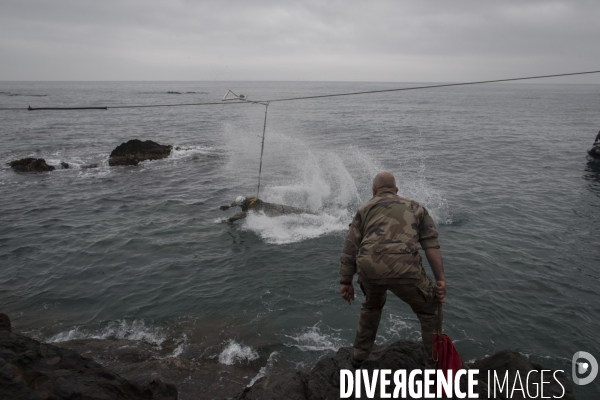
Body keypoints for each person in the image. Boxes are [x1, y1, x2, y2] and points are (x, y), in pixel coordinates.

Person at [338, 171, 446, 368]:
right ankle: (433, 365)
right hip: (405, 267)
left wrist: (346, 282)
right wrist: (440, 280)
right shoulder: (415, 207)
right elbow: (430, 245)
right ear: (396, 190)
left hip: (369, 267)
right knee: (430, 311)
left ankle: (358, 359)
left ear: (374, 190)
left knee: (371, 307)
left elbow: (350, 247)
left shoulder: (363, 210)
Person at [220, 196, 313, 222]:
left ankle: (312, 213)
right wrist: (228, 206)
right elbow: (235, 203)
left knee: (292, 211)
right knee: (291, 212)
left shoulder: (252, 208)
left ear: (243, 203)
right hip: (270, 206)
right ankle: (312, 213)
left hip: (270, 210)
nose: (239, 206)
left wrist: (228, 220)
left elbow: (239, 215)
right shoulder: (247, 199)